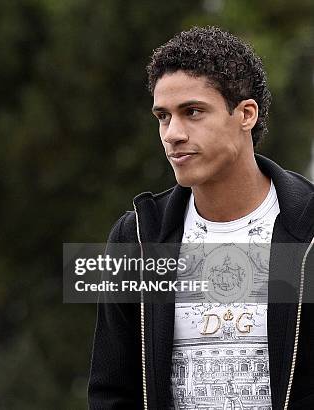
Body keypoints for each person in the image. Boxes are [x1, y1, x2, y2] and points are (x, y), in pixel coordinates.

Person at [88, 26, 314, 409]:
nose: (172, 134)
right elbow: (112, 391)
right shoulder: (139, 238)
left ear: (245, 114)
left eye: (192, 112)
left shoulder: (308, 229)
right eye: (163, 116)